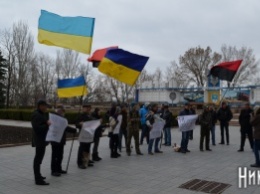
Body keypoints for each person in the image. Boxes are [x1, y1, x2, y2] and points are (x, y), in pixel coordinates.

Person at [50, 106, 77, 176]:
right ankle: (54, 170)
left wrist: (74, 130)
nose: (63, 113)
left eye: (63, 111)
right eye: (62, 111)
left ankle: (59, 168)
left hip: (61, 140)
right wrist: (73, 130)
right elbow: (65, 127)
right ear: (59, 111)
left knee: (60, 155)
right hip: (55, 140)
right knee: (55, 156)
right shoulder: (55, 118)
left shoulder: (61, 119)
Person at [31, 100, 51, 185]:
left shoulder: (41, 114)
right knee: (37, 159)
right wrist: (47, 124)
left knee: (39, 160)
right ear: (40, 106)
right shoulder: (36, 115)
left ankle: (38, 175)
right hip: (39, 141)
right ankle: (38, 179)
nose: (46, 107)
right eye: (45, 106)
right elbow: (37, 129)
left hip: (42, 140)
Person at [75, 104, 94, 169]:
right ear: (83, 108)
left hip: (89, 134)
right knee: (82, 148)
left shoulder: (90, 116)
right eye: (86, 108)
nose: (88, 109)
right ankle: (80, 162)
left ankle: (86, 161)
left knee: (87, 148)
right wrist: (79, 124)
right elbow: (76, 123)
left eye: (89, 108)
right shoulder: (81, 116)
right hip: (83, 134)